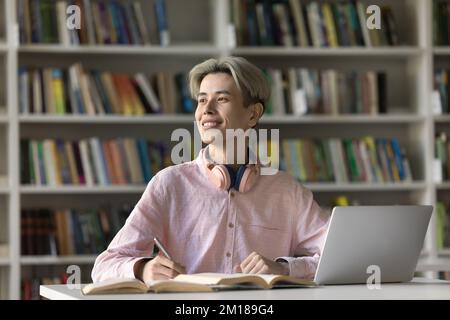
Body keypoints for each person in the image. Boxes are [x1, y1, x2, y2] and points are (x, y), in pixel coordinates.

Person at [91, 56, 329, 283]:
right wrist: (142, 268)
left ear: (253, 114)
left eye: (222, 99)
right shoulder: (169, 184)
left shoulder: (287, 191)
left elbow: (334, 258)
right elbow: (104, 266)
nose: (206, 110)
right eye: (202, 100)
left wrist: (284, 268)